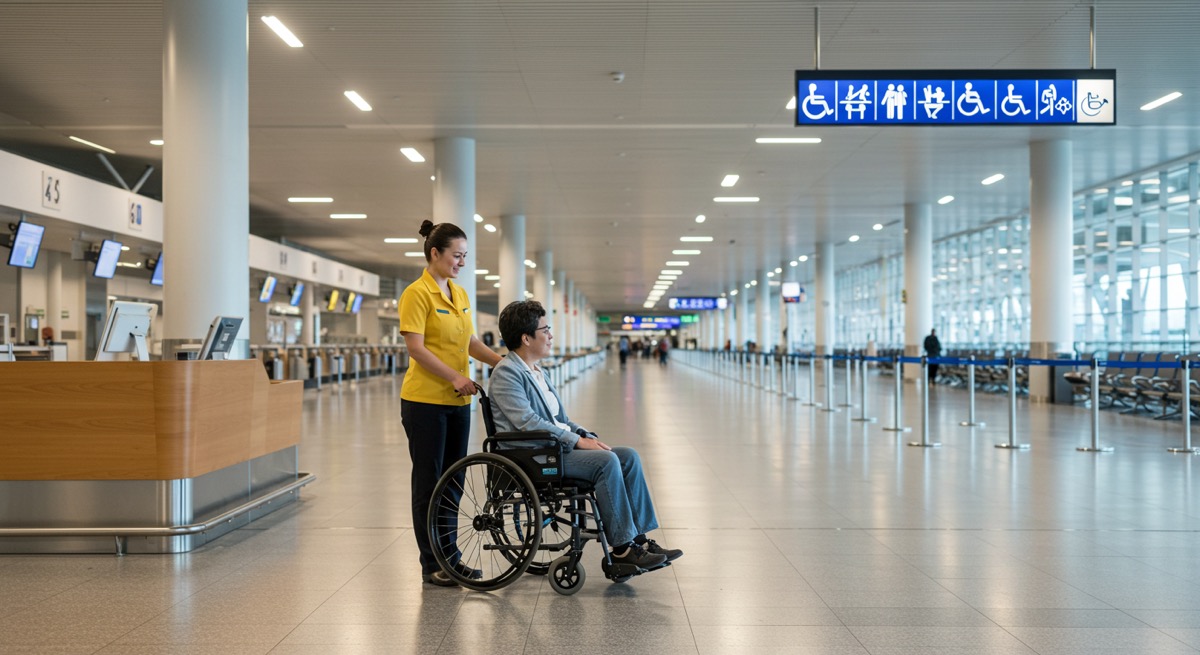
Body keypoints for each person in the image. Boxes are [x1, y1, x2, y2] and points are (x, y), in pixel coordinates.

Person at [489, 300, 682, 572]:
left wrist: (582, 433)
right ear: (525, 337)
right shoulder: (507, 372)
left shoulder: (537, 371)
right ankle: (623, 549)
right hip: (534, 455)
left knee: (627, 456)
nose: (551, 335)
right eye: (545, 330)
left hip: (555, 447)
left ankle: (639, 539)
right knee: (606, 462)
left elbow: (561, 420)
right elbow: (526, 422)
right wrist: (577, 442)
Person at [399, 220, 503, 587]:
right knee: (429, 483)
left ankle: (451, 557)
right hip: (425, 402)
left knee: (453, 482)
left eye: (464, 257)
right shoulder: (417, 294)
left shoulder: (458, 294)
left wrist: (501, 361)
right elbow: (416, 347)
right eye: (456, 256)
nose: (461, 263)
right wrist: (454, 377)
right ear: (435, 254)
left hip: (458, 403)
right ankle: (432, 564)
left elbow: (469, 341)